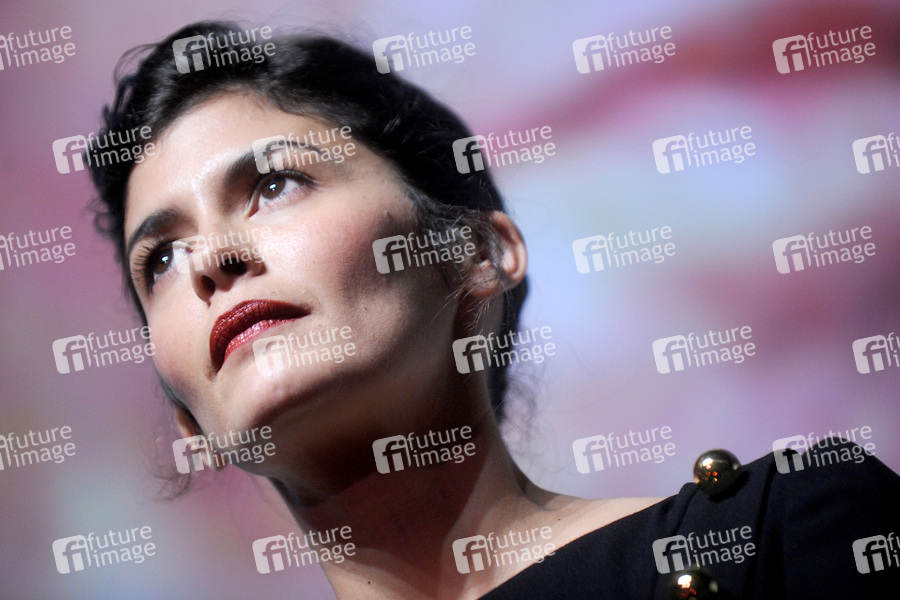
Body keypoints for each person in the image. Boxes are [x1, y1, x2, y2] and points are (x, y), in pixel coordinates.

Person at [90, 21, 900, 599]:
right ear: (188, 423)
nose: (210, 260)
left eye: (275, 184)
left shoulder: (784, 539)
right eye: (160, 257)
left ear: (479, 251)